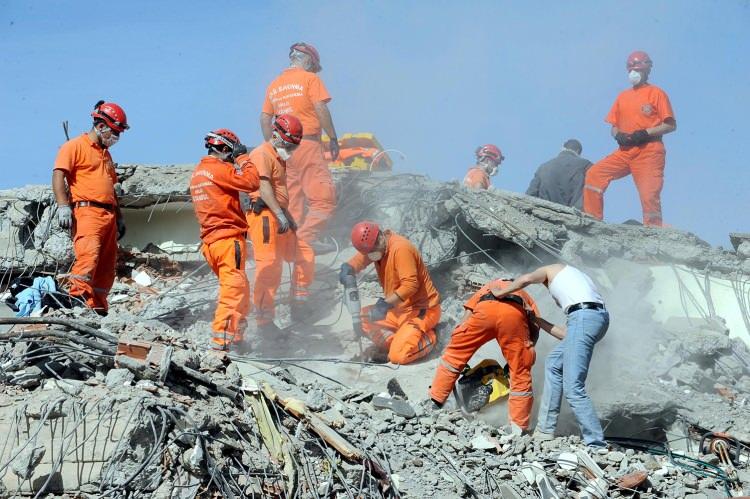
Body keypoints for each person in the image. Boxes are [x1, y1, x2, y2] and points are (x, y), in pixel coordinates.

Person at [490, 264, 609, 448]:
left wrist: (501, 293)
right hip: (594, 320)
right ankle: (545, 430)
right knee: (554, 362)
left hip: (584, 318)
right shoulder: (577, 284)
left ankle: (596, 443)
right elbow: (566, 336)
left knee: (573, 387)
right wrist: (535, 319)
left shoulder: (550, 270)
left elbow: (526, 279)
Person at [260, 42, 339, 310]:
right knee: (323, 201)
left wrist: (272, 147)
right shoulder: (310, 79)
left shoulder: (274, 85)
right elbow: (320, 109)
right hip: (306, 143)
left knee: (291, 209)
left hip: (283, 149)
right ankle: (303, 249)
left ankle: (290, 267)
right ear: (307, 61)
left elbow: (264, 118)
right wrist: (333, 137)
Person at [429, 278, 539, 432]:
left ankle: (436, 401)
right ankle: (518, 427)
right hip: (514, 315)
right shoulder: (524, 294)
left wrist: (457, 343)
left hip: (485, 310)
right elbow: (534, 325)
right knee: (520, 373)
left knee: (454, 357)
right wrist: (526, 351)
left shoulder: (488, 287)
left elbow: (465, 317)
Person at [52, 100, 129, 315]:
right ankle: (77, 300)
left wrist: (120, 217)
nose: (116, 138)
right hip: (87, 212)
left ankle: (97, 306)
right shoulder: (74, 146)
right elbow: (59, 174)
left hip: (109, 214)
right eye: (114, 132)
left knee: (106, 265)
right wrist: (63, 206)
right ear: (101, 125)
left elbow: (112, 189)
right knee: (89, 257)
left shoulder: (106, 154)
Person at [583, 51, 676, 226]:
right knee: (595, 173)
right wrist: (618, 135)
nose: (633, 73)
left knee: (649, 195)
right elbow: (614, 125)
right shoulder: (622, 96)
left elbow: (670, 125)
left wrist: (646, 133)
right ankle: (592, 220)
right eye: (631, 69)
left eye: (637, 69)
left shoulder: (656, 93)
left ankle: (653, 231)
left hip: (649, 152)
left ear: (646, 70)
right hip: (625, 151)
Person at [190, 129, 259, 351]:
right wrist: (243, 158)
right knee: (233, 292)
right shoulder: (218, 169)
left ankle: (236, 336)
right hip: (228, 241)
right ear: (224, 149)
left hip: (211, 244)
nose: (232, 160)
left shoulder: (199, 172)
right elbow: (252, 183)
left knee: (241, 288)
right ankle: (220, 345)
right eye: (230, 154)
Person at [243, 114, 309, 336]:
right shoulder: (262, 154)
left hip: (278, 214)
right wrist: (280, 214)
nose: (290, 149)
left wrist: (285, 215)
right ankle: (264, 322)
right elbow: (263, 188)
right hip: (264, 215)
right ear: (276, 135)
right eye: (288, 144)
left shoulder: (278, 157)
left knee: (303, 253)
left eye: (294, 146)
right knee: (268, 267)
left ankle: (299, 301)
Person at [339, 222, 440, 364]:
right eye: (368, 252)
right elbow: (359, 261)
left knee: (398, 357)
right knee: (363, 317)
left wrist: (385, 305)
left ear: (380, 236)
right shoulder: (376, 248)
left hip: (421, 311)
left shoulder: (400, 249)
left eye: (373, 250)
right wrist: (348, 268)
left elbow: (410, 286)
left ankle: (432, 336)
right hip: (398, 310)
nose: (371, 255)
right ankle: (398, 341)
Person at [526, 139, 592, 209]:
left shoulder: (543, 167)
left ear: (562, 149)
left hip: (544, 213)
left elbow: (530, 194)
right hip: (571, 216)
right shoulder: (585, 165)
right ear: (578, 151)